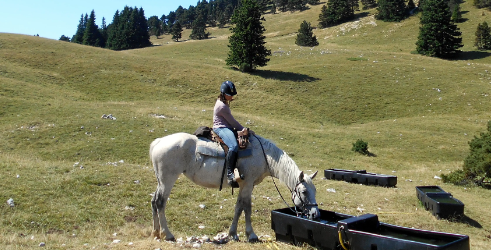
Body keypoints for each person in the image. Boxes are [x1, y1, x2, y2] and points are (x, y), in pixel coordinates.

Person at [213, 80, 246, 187]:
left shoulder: (223, 102)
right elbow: (232, 122)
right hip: (221, 128)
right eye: (229, 94)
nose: (231, 97)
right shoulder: (222, 106)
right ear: (223, 93)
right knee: (233, 146)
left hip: (226, 126)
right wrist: (243, 129)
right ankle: (229, 173)